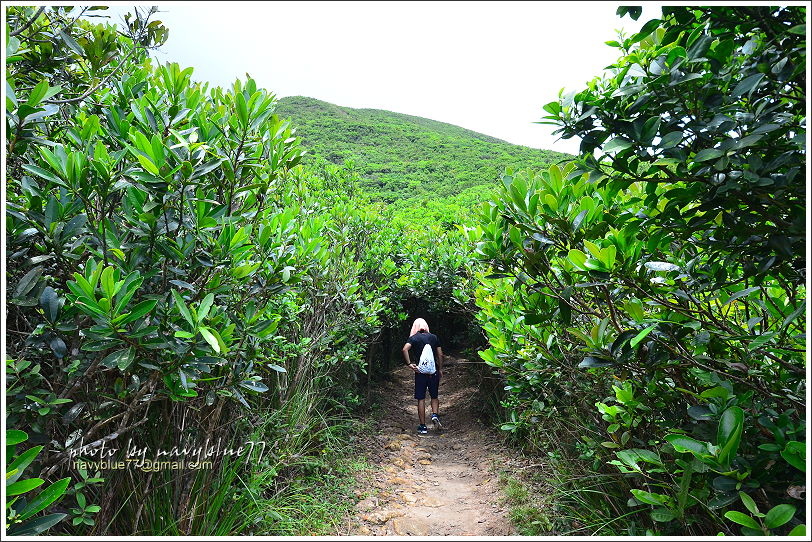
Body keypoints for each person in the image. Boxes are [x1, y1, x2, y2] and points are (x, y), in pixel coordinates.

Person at [402, 318, 444, 434]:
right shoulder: (434, 337)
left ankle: (423, 426)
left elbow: (404, 349)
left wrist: (409, 364)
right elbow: (440, 354)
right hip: (433, 372)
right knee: (434, 396)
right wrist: (440, 369)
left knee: (421, 398)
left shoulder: (413, 338)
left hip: (420, 372)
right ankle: (435, 415)